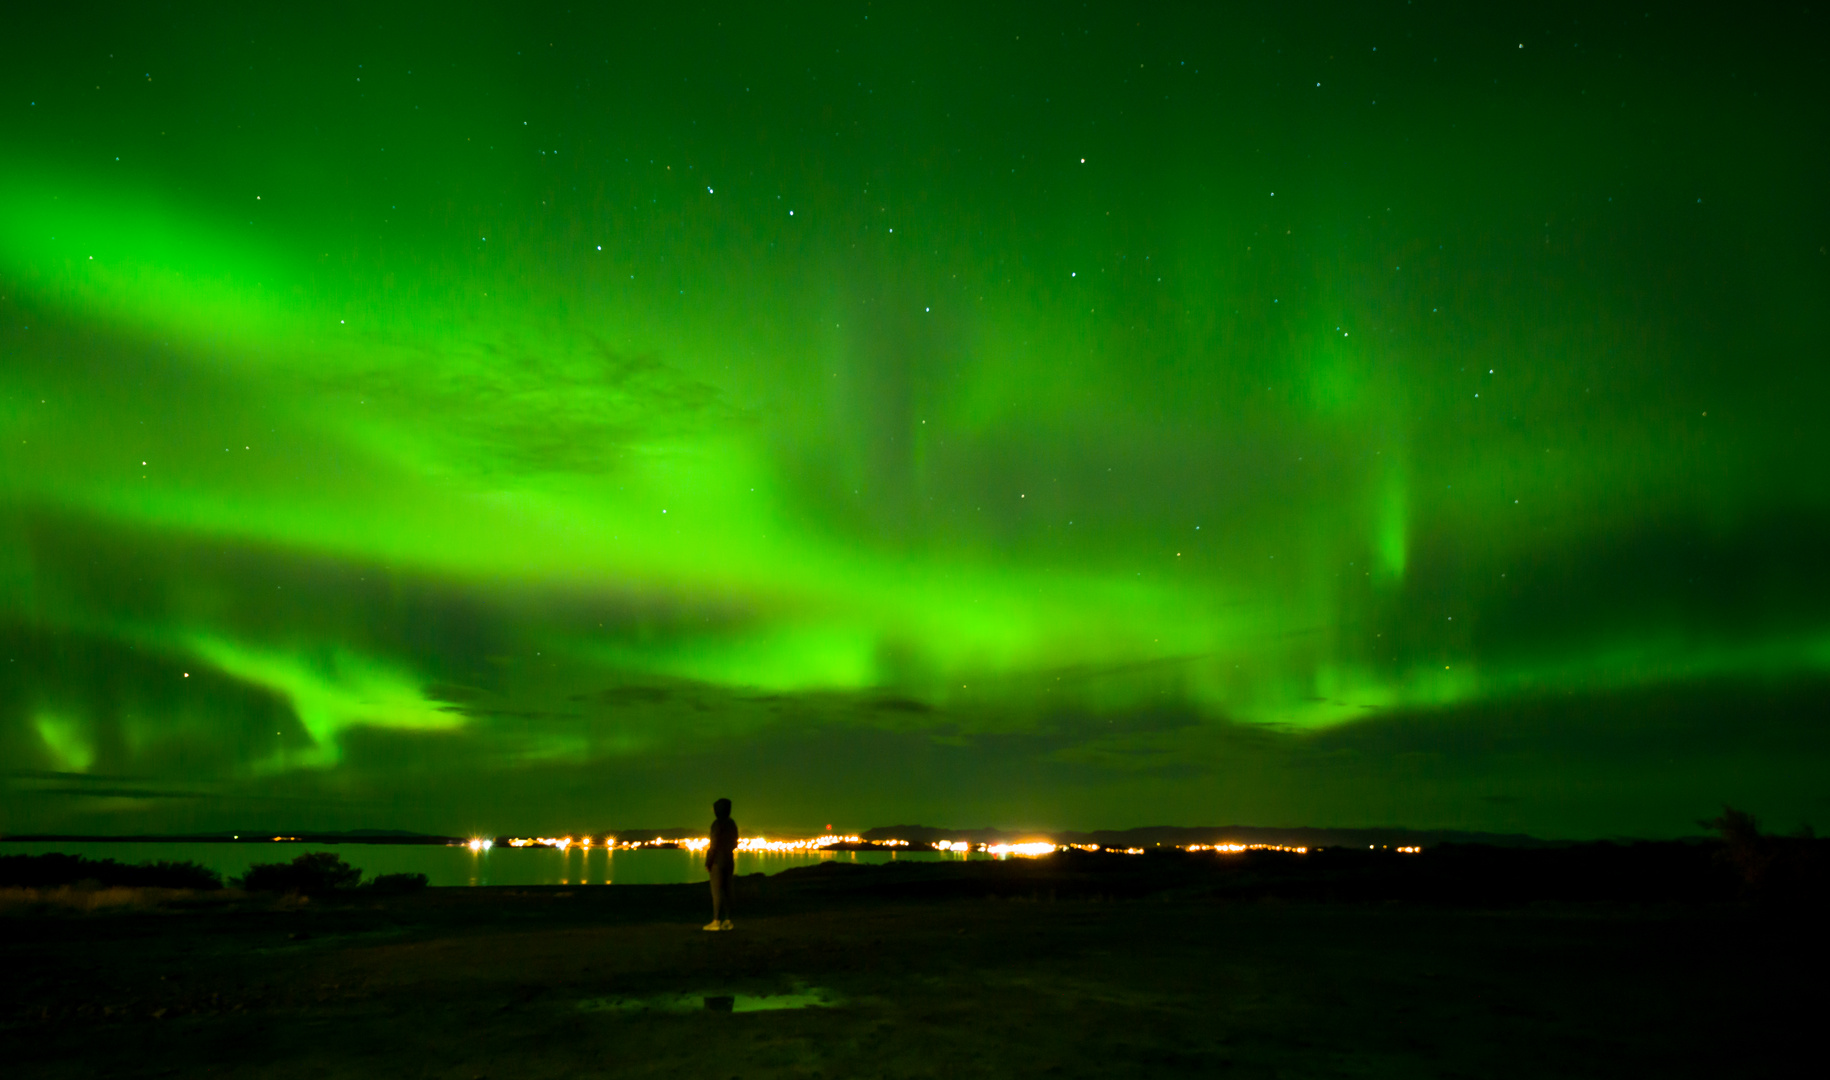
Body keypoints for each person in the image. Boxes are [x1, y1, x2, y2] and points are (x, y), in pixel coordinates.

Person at [704, 797, 738, 931]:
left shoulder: (716, 824)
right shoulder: (732, 823)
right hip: (729, 859)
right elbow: (735, 842)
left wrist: (708, 862)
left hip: (718, 861)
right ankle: (728, 921)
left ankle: (716, 921)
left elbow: (713, 845)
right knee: (728, 890)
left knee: (716, 891)